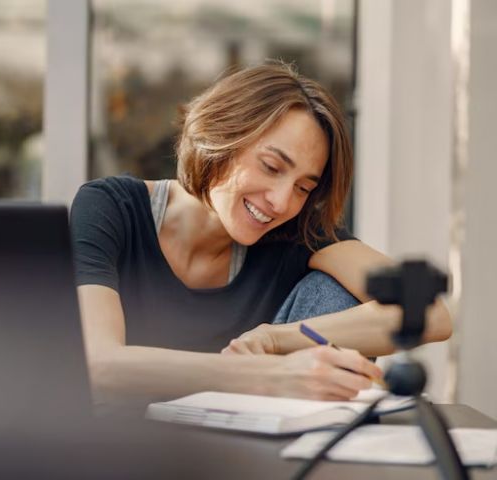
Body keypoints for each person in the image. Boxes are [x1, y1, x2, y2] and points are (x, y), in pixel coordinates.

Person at [70, 63, 452, 407]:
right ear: (222, 135)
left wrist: (278, 339)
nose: (282, 202)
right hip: (119, 453)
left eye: (304, 187)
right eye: (271, 166)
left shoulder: (295, 231)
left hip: (252, 455)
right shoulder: (110, 208)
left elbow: (430, 314)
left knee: (334, 290)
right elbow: (99, 364)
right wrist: (269, 375)